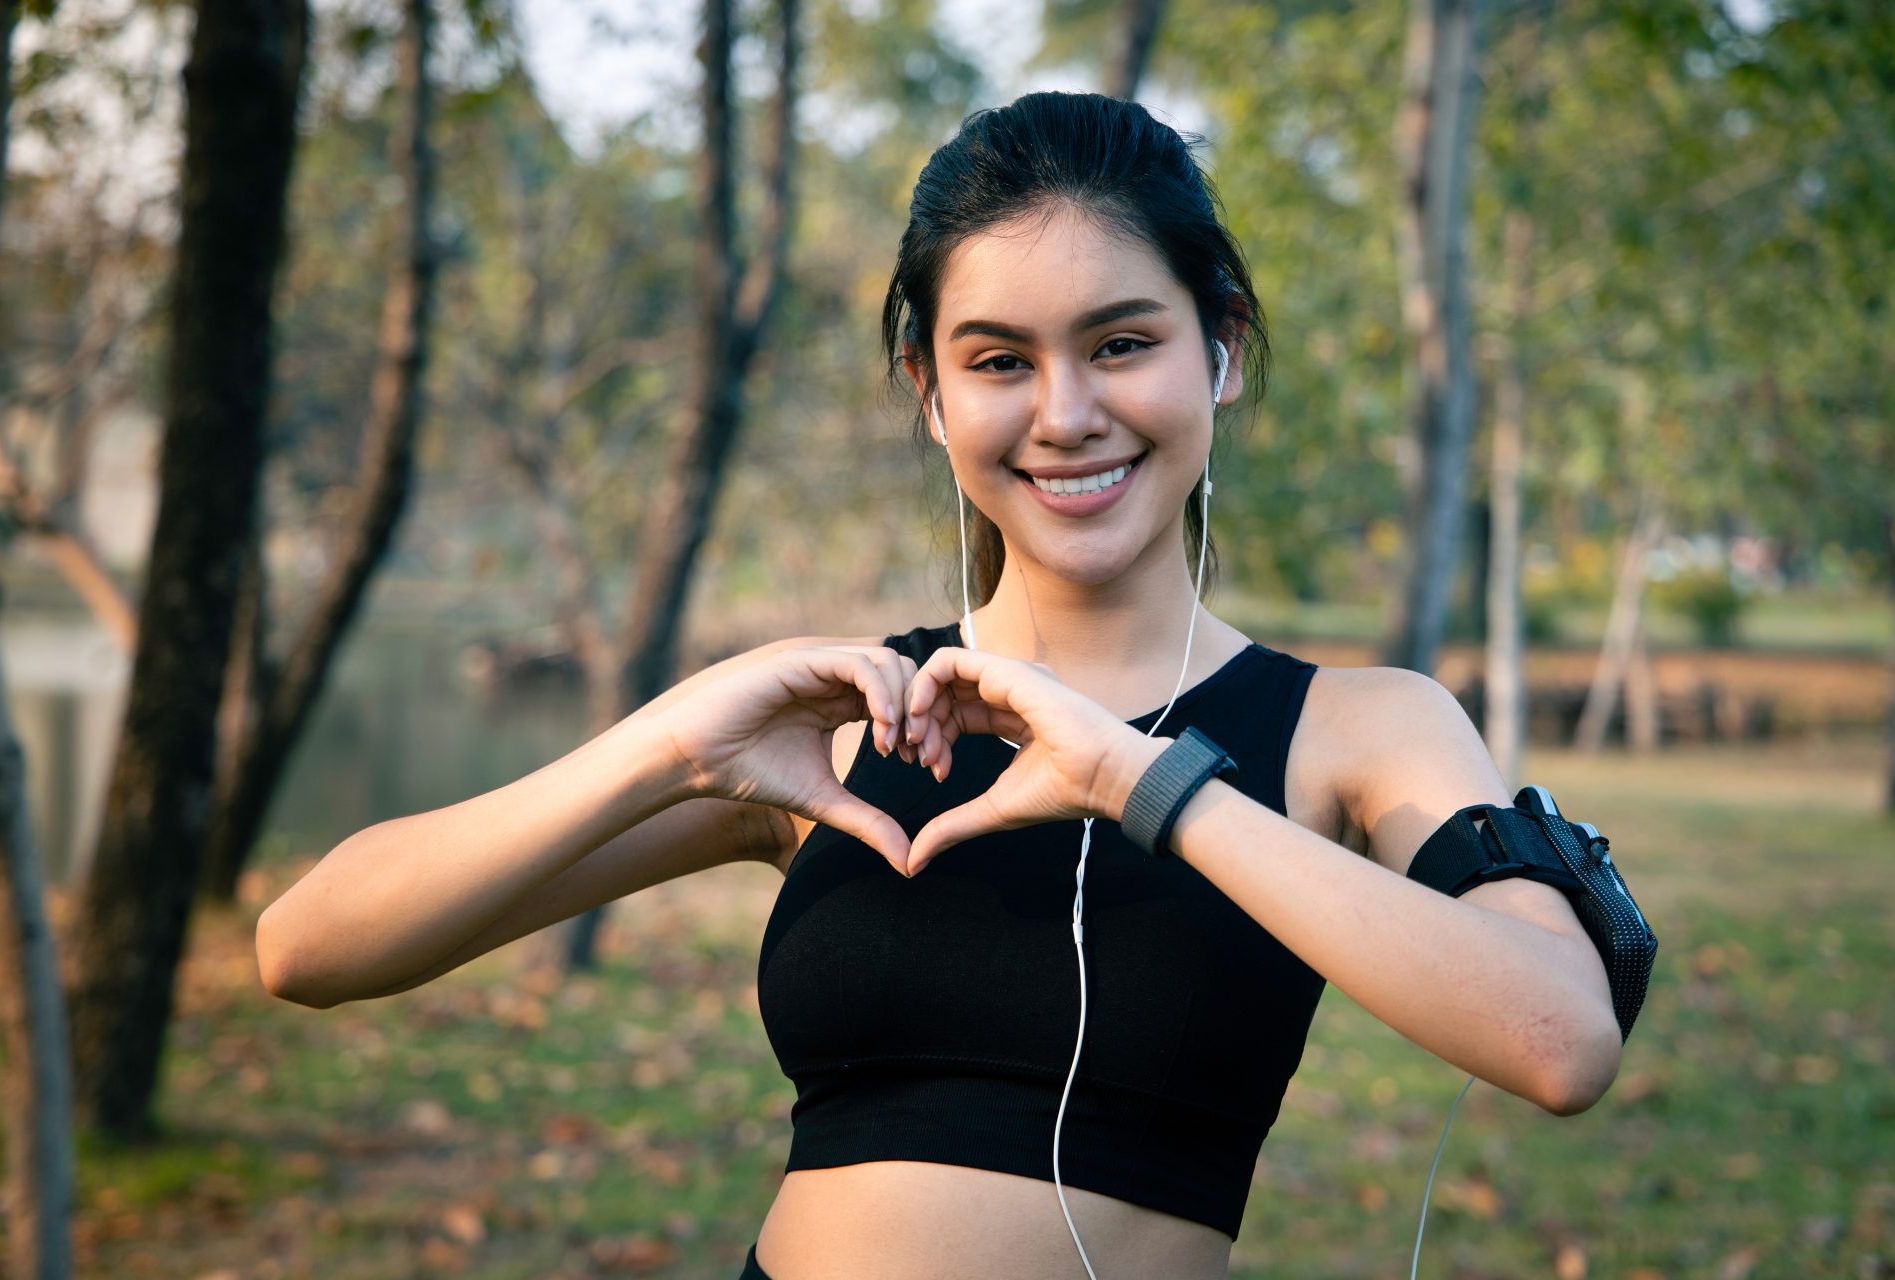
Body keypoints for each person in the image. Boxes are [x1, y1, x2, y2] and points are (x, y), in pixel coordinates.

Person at [257, 92, 1621, 1280]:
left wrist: (1141, 783)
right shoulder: (854, 725)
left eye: (1123, 343)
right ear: (930, 393)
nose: (1066, 412)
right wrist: (671, 739)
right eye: (998, 362)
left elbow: (1560, 1039)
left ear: (1223, 351)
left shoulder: (1356, 730)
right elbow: (308, 949)